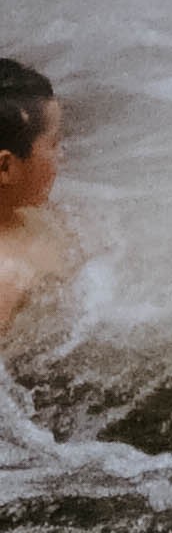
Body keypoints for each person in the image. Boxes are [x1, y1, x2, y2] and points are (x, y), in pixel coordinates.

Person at [0, 64, 77, 348]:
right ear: (5, 167)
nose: (62, 156)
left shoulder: (24, 209)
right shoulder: (6, 283)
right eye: (54, 144)